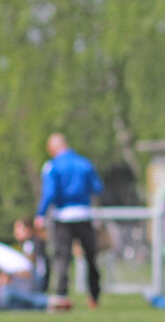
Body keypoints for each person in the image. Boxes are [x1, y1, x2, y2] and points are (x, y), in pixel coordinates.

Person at [34, 133, 104, 309]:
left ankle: (62, 295)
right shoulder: (85, 163)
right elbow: (98, 188)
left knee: (63, 257)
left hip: (63, 216)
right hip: (84, 214)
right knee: (90, 256)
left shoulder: (52, 166)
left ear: (53, 148)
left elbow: (49, 193)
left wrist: (40, 214)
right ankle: (94, 295)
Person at [0, 242, 53, 311]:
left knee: (10, 294)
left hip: (26, 281)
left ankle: (47, 302)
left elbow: (25, 273)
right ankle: (47, 302)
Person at [13, 217, 49, 293]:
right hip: (42, 280)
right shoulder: (36, 241)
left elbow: (28, 267)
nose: (16, 232)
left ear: (28, 229)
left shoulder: (29, 244)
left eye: (19, 228)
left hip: (36, 281)